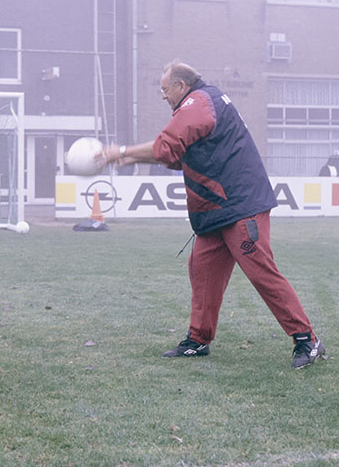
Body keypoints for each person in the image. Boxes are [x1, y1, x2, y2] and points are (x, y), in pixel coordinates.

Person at [102, 60, 325, 369]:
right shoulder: (204, 103)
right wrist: (130, 159)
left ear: (181, 87)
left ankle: (307, 339)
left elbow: (166, 146)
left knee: (262, 272)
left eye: (165, 90)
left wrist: (122, 152)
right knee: (202, 270)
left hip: (239, 207)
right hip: (217, 213)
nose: (163, 96)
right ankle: (198, 339)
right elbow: (176, 155)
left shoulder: (197, 102)